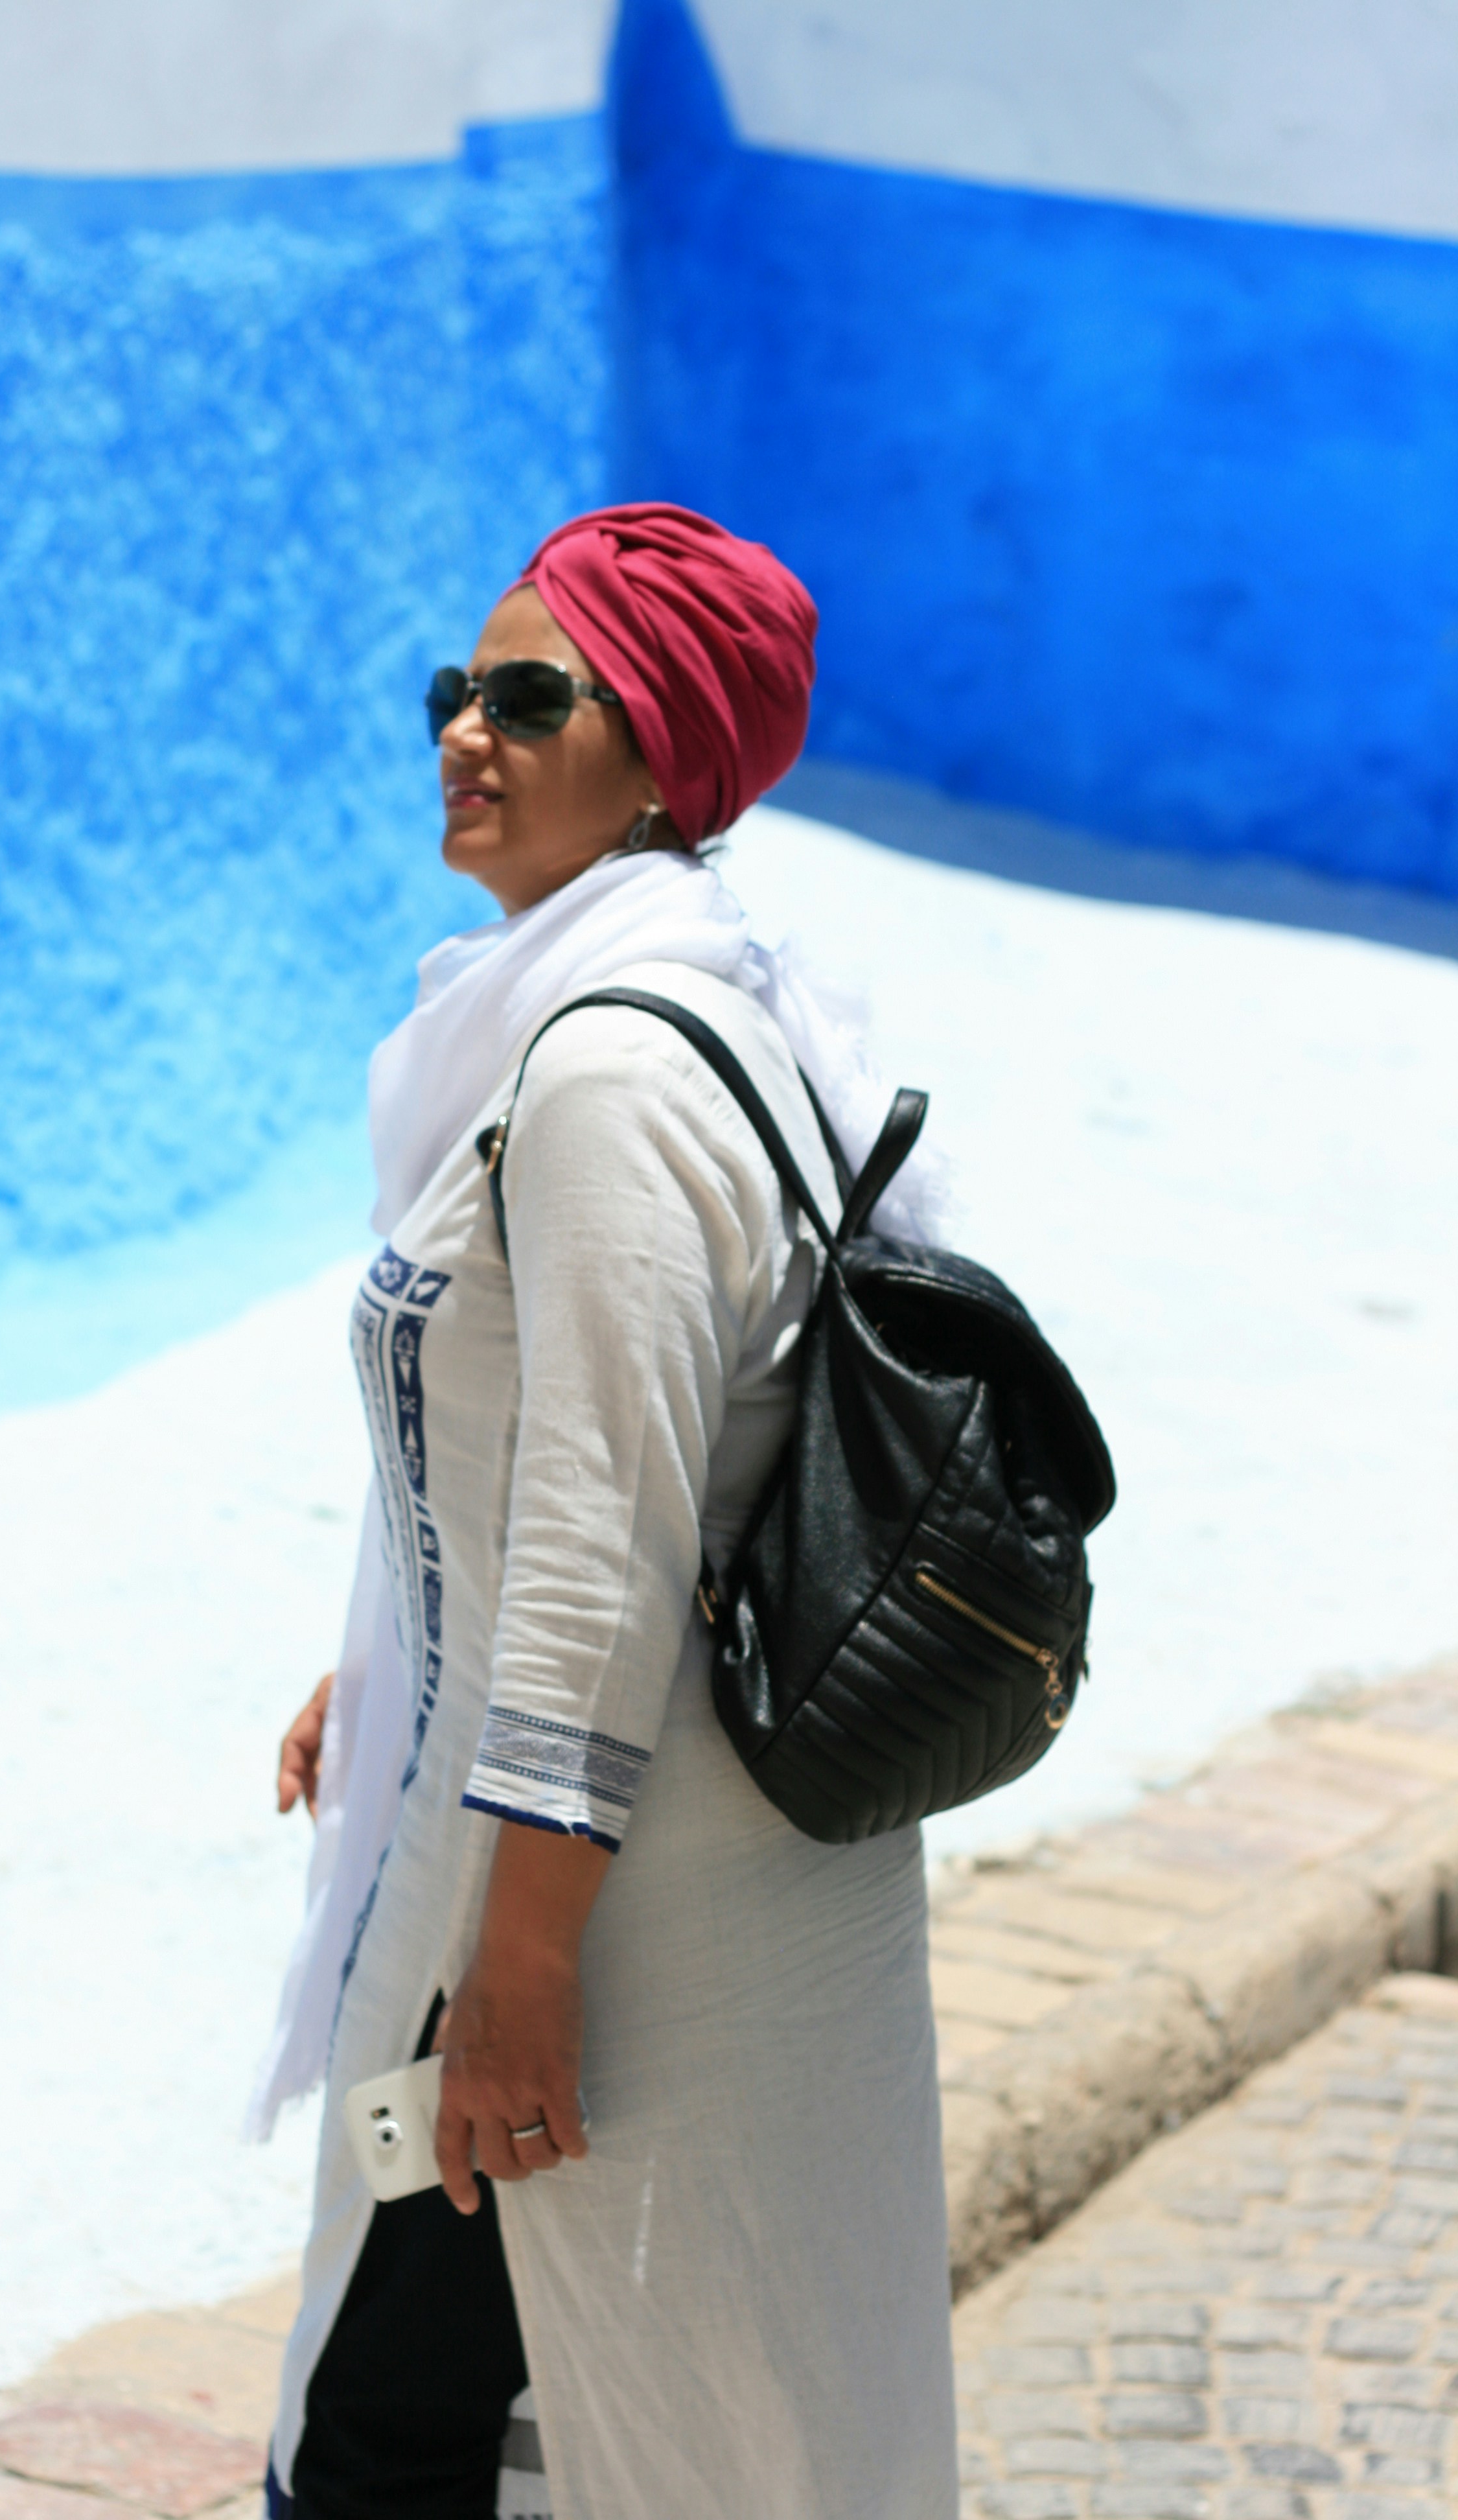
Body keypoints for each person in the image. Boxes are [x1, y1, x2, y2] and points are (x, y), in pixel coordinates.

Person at [252, 504, 958, 2519]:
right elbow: (652, 1447)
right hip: (628, 1854)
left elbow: (607, 1537)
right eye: (454, 689)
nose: (463, 731)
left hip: (603, 1902)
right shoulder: (690, 1002)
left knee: (392, 2445)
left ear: (662, 758)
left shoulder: (610, 1079)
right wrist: (399, 1648)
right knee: (518, 2433)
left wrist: (524, 1975)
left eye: (529, 697)